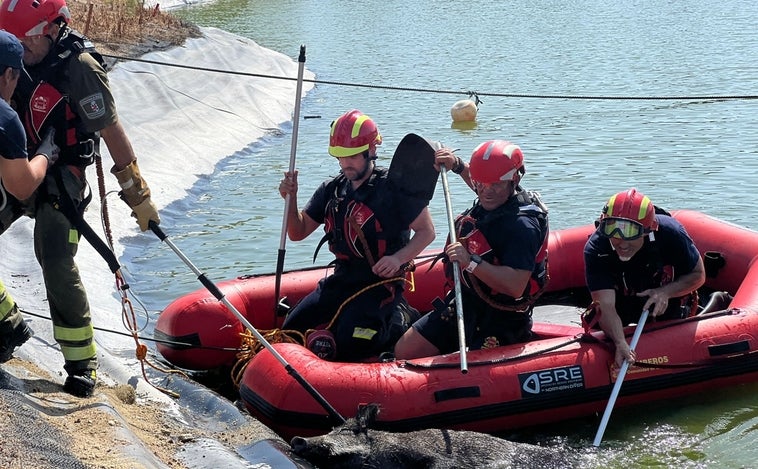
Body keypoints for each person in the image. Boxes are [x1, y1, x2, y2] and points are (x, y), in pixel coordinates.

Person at [0, 0, 161, 397]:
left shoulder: (80, 69)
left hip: (62, 174)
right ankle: (7, 323)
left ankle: (80, 362)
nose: (18, 47)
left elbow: (112, 132)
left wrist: (138, 195)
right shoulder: (7, 55)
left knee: (54, 254)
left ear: (52, 28)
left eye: (25, 39)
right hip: (16, 164)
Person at [277, 109, 435, 361]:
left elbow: (427, 232)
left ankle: (400, 319)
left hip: (380, 284)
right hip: (342, 279)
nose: (345, 164)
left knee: (352, 343)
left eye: (352, 156)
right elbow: (297, 233)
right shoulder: (331, 190)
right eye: (340, 157)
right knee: (290, 330)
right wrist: (290, 198)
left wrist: (398, 259)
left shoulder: (393, 189)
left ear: (371, 151)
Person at [394, 140, 549, 359]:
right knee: (405, 350)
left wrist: (470, 262)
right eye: (480, 183)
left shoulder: (522, 227)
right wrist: (457, 165)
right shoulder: (494, 193)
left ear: (514, 180)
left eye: (494, 185)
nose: (486, 191)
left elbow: (515, 286)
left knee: (478, 367)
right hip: (468, 301)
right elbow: (486, 183)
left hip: (502, 315)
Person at [583, 188, 705, 367]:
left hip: (663, 302)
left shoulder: (671, 234)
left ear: (648, 230)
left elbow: (698, 275)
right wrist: (619, 342)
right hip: (621, 300)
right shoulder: (597, 248)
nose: (622, 242)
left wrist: (665, 292)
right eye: (613, 230)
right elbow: (605, 305)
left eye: (631, 232)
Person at [0, 29, 60, 363]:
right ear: (9, 74)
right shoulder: (5, 119)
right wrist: (45, 155)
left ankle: (9, 324)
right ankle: (9, 327)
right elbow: (21, 186)